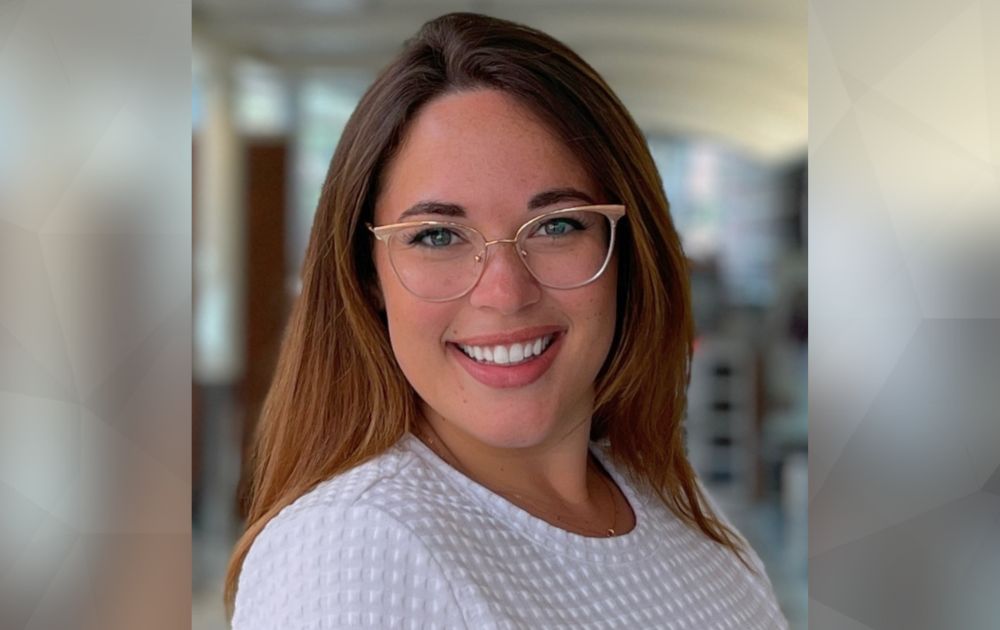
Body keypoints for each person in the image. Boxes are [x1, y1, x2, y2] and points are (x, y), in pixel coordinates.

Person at [227, 12, 788, 629]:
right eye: (437, 235)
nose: (505, 291)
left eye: (556, 226)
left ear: (627, 253)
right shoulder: (349, 549)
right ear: (368, 276)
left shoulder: (672, 503)